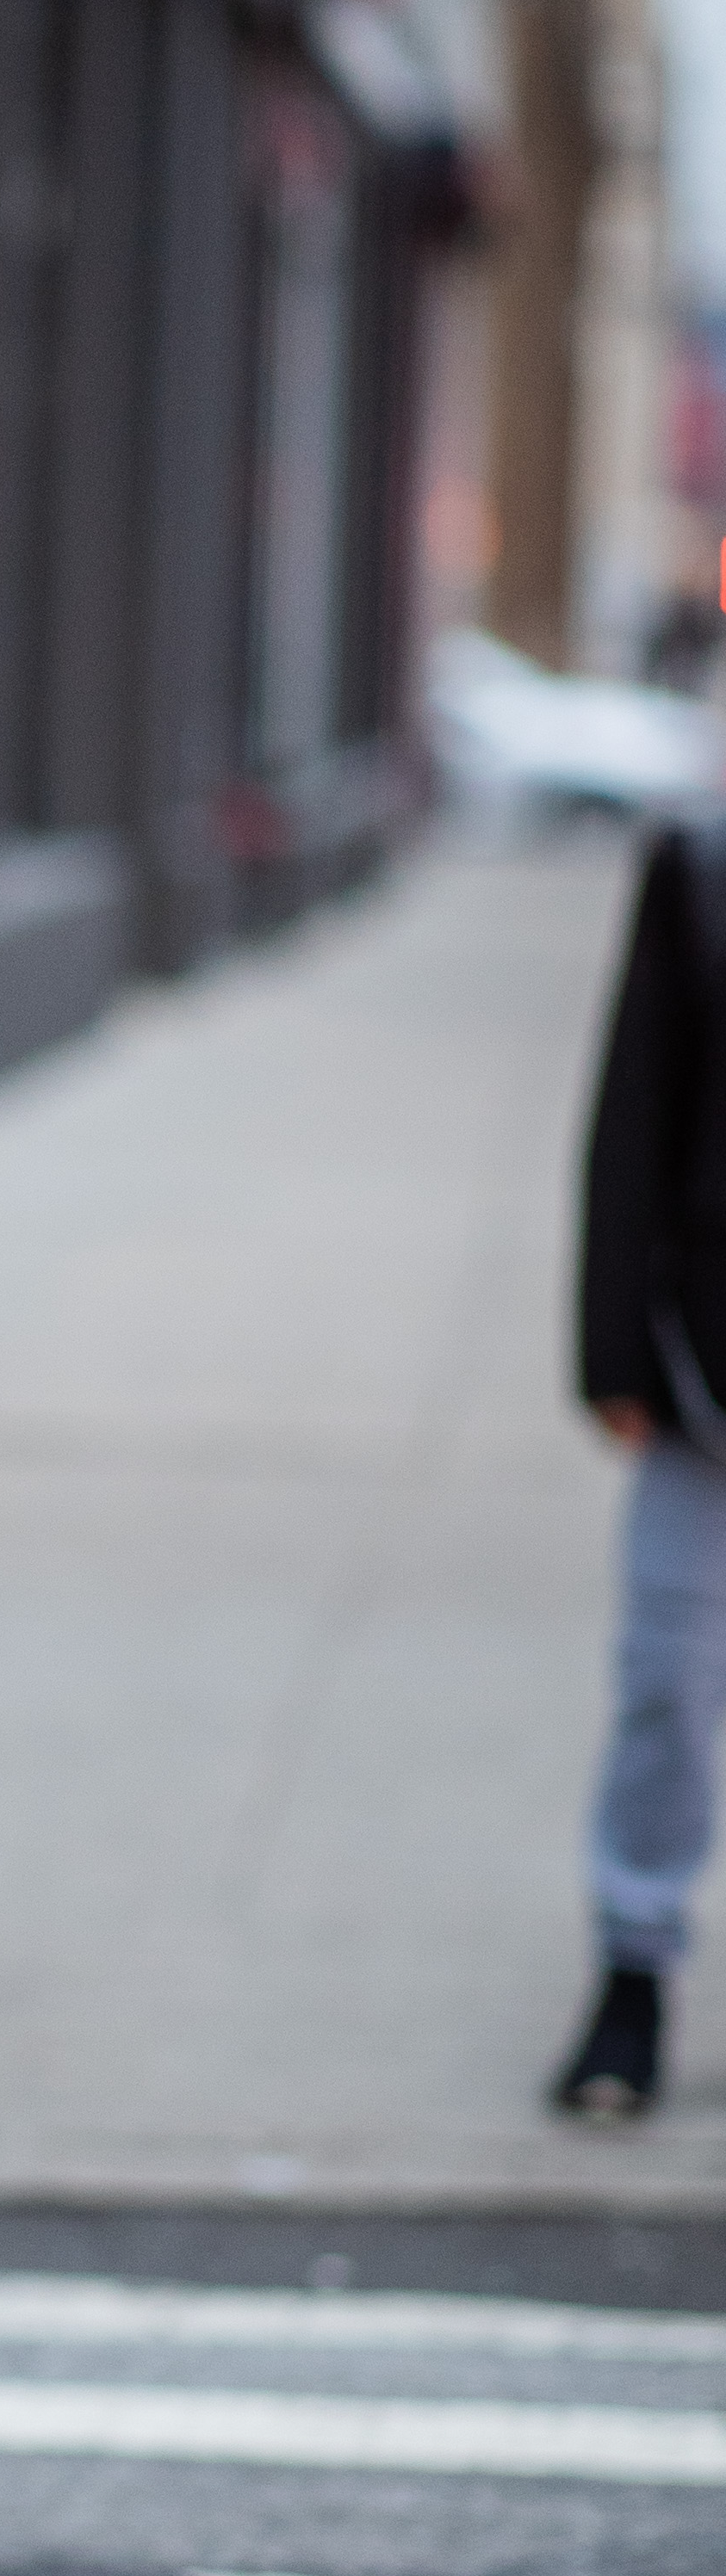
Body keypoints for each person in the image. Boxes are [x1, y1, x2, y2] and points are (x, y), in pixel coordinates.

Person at [555, 805, 726, 2116]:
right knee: (665, 1679)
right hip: (701, 1365)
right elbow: (636, 1106)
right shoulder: (700, 864)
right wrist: (613, 1349)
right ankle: (633, 1970)